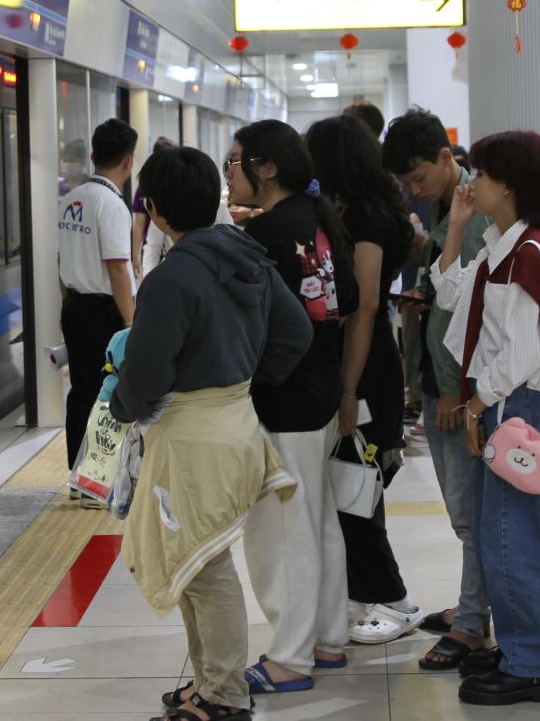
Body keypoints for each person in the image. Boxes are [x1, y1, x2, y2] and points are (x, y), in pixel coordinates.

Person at [109, 147, 312, 721]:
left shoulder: (172, 276)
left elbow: (145, 372)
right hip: (237, 423)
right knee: (199, 561)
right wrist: (248, 378)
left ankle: (224, 695)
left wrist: (124, 406)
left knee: (203, 566)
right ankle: (208, 683)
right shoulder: (247, 255)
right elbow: (295, 333)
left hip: (192, 437)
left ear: (155, 209)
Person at [433, 131, 540, 706]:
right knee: (496, 538)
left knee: (513, 541)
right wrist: (457, 228)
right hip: (497, 403)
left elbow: (523, 353)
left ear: (507, 184)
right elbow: (448, 297)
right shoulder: (498, 247)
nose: (470, 183)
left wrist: (477, 405)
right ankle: (517, 653)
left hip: (515, 407)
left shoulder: (527, 253)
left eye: (479, 174)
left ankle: (533, 663)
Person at [224, 121, 352, 693]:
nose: (230, 171)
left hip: (282, 397)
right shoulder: (319, 217)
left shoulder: (266, 235)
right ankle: (326, 639)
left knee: (282, 529)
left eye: (236, 161)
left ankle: (289, 656)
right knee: (317, 519)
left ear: (266, 167)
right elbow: (343, 300)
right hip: (320, 391)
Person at [381, 108, 495, 671]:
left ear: (446, 159)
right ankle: (473, 604)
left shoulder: (470, 216)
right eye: (406, 184)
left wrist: (452, 391)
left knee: (470, 514)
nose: (414, 190)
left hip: (457, 386)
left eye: (418, 178)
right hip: (441, 378)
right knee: (464, 512)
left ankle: (473, 624)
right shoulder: (450, 206)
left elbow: (467, 315)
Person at [305, 115, 420, 644]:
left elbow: (366, 304)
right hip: (358, 361)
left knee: (358, 486)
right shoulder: (357, 207)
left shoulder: (370, 215)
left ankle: (394, 600)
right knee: (350, 487)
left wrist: (350, 391)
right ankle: (362, 597)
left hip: (367, 367)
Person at [59, 118, 138, 472]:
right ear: (129, 161)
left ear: (92, 156)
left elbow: (61, 260)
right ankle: (97, 475)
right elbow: (118, 268)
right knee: (106, 393)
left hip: (74, 305)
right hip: (105, 311)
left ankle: (78, 473)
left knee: (80, 390)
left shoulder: (70, 199)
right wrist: (131, 320)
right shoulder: (111, 204)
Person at [130, 136, 176, 281]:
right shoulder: (145, 187)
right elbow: (139, 224)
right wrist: (134, 256)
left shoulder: (179, 184)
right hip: (152, 247)